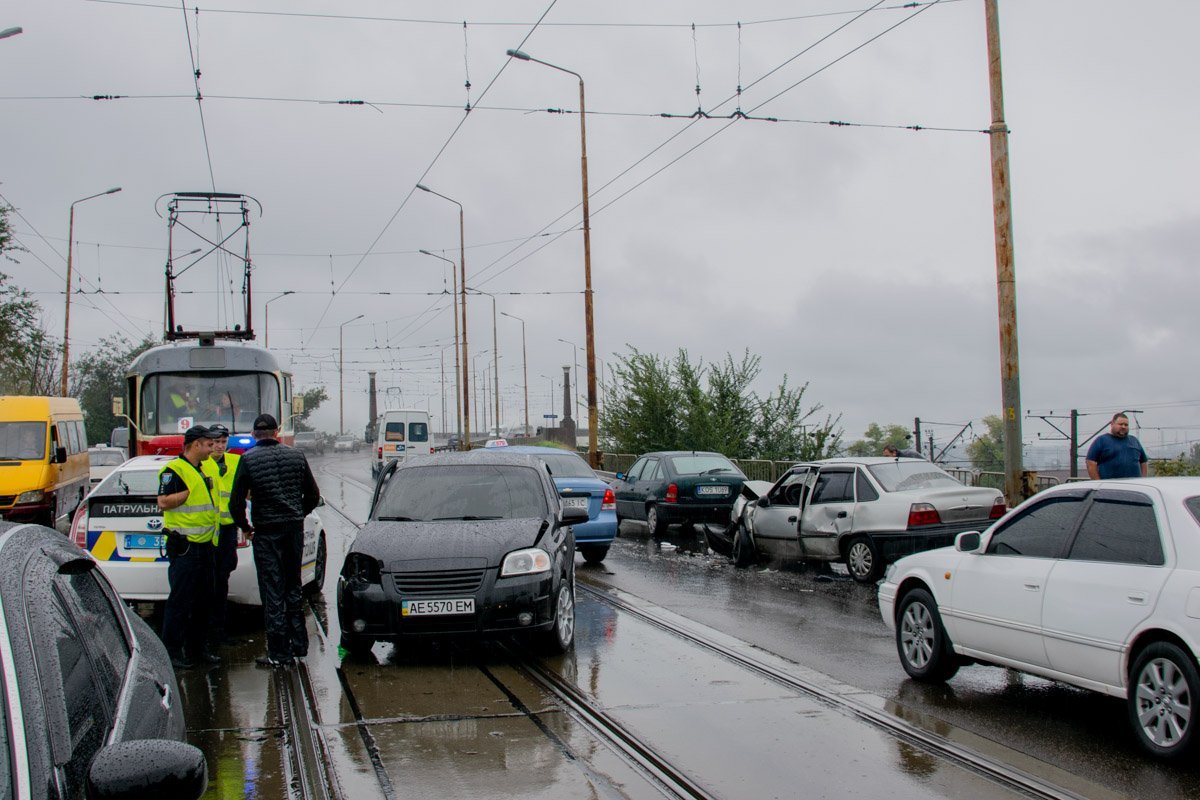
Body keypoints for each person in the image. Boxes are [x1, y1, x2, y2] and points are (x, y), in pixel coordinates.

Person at [229, 413, 321, 668]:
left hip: (266, 532)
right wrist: (297, 514)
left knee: (273, 591)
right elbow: (313, 494)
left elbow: (235, 503)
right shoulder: (296, 456)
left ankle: (279, 652)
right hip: (293, 530)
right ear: (277, 431)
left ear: (255, 434)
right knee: (293, 586)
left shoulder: (248, 460)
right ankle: (300, 644)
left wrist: (246, 528)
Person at [158, 424, 223, 670]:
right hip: (185, 547)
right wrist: (183, 495)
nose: (211, 449)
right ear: (195, 444)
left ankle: (197, 649)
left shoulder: (204, 468)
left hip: (205, 546)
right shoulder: (174, 470)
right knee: (180, 602)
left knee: (203, 601)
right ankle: (172, 652)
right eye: (208, 444)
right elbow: (163, 502)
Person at [202, 424, 241, 648]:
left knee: (223, 579)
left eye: (223, 442)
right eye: (215, 442)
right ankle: (206, 631)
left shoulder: (236, 462)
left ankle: (219, 630)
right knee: (208, 582)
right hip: (207, 532)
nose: (219, 446)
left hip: (227, 531)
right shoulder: (202, 464)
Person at [1086, 412, 1148, 479]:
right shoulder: (1101, 440)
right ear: (1112, 424)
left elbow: (1143, 462)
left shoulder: (1134, 441)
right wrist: (1098, 483)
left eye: (1126, 425)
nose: (1123, 427)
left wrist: (1142, 479)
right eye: (1120, 424)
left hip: (1133, 485)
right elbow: (1090, 463)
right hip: (1111, 486)